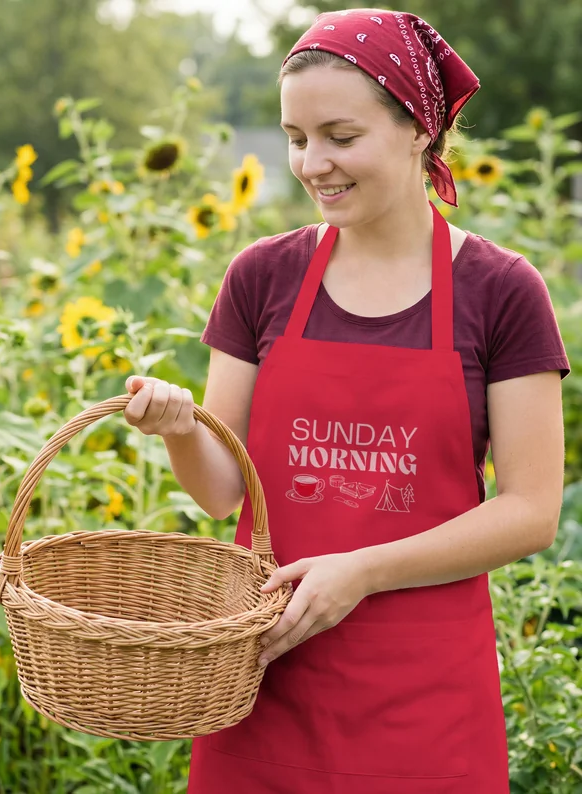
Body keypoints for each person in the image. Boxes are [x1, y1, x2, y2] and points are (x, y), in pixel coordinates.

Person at [123, 8, 569, 793]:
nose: (311, 163)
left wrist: (361, 570)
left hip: (424, 704)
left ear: (418, 131)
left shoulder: (500, 290)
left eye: (340, 136)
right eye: (296, 138)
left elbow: (532, 510)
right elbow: (221, 492)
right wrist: (179, 428)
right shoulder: (262, 277)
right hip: (263, 687)